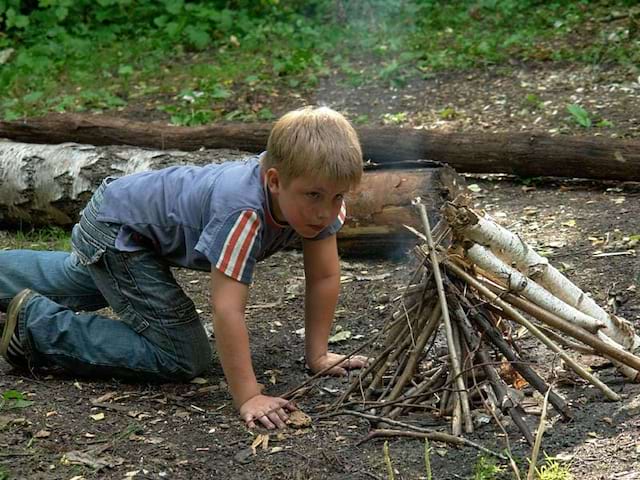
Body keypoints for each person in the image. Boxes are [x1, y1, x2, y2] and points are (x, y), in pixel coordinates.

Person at [0, 106, 368, 429]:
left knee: (77, 281)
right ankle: (36, 327)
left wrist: (318, 354)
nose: (325, 211)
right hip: (119, 232)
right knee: (183, 353)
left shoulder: (322, 206)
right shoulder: (243, 214)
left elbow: (323, 277)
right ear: (274, 181)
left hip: (124, 220)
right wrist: (249, 395)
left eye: (337, 196)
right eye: (314, 196)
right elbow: (227, 308)